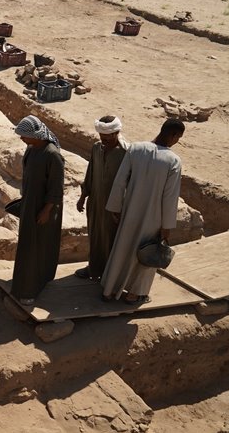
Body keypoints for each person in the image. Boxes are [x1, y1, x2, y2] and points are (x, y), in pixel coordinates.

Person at [101, 119, 185, 305]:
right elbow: (170, 197)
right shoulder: (173, 161)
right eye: (178, 138)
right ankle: (134, 294)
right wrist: (167, 226)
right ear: (173, 135)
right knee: (147, 254)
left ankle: (109, 290)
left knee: (122, 248)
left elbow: (120, 180)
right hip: (153, 218)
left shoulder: (136, 149)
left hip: (129, 211)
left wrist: (115, 207)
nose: (177, 141)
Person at [10, 115, 65, 306]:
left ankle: (30, 288)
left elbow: (56, 188)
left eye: (24, 135)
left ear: (35, 135)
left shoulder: (52, 155)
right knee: (27, 245)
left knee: (37, 247)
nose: (22, 138)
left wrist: (46, 211)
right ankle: (24, 283)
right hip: (30, 205)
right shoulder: (32, 149)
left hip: (44, 209)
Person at [75, 116, 130, 281]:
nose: (103, 140)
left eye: (107, 137)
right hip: (96, 201)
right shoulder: (97, 148)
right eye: (101, 136)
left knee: (111, 238)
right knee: (95, 235)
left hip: (114, 205)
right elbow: (90, 172)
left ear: (116, 133)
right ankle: (94, 267)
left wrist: (121, 207)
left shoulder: (126, 153)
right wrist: (83, 196)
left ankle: (110, 273)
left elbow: (129, 182)